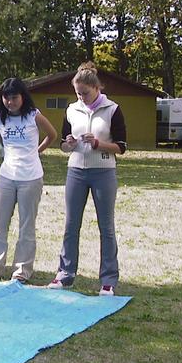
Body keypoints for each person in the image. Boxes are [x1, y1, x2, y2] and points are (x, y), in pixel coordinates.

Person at [48, 61, 127, 296]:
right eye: (78, 93)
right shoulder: (72, 110)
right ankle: (65, 274)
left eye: (85, 93)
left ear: (96, 88)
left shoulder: (113, 109)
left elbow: (121, 147)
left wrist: (98, 143)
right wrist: (69, 143)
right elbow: (63, 144)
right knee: (71, 225)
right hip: (76, 171)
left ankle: (108, 280)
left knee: (106, 227)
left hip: (103, 172)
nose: (81, 97)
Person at [0, 78, 57, 284]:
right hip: (6, 176)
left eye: (14, 97)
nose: (10, 102)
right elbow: (2, 142)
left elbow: (52, 134)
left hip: (30, 178)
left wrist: (37, 151)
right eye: (6, 98)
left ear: (23, 97)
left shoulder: (34, 116)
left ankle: (22, 271)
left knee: (26, 226)